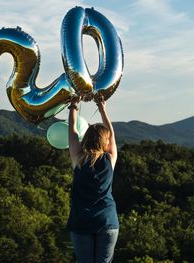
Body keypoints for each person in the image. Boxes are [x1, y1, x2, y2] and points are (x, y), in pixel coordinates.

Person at [66, 95, 119, 263]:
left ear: (86, 138)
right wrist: (103, 109)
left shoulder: (78, 158)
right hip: (107, 221)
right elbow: (112, 134)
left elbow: (72, 131)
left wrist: (74, 105)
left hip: (82, 221)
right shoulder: (109, 159)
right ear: (105, 141)